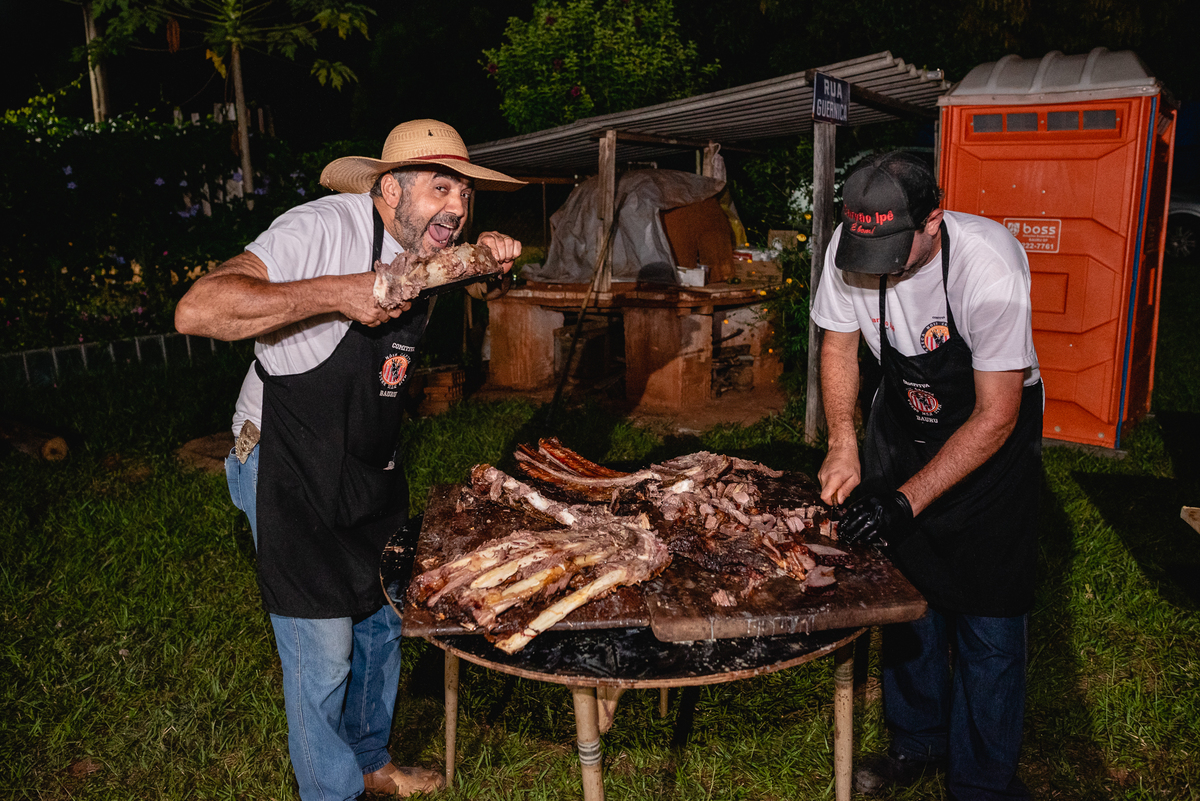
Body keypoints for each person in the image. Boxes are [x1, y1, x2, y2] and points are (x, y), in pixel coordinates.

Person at [175, 119, 524, 799]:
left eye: (466, 194)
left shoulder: (427, 241)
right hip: (285, 454)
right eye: (440, 187)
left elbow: (468, 279)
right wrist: (340, 291)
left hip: (369, 458)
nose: (456, 207)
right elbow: (198, 309)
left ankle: (371, 762)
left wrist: (489, 259)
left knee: (381, 623)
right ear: (390, 189)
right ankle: (331, 789)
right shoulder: (320, 228)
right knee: (324, 652)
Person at [811, 151, 1042, 800]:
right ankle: (916, 741)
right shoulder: (852, 238)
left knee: (989, 623)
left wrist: (906, 502)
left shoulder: (987, 264)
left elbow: (997, 414)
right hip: (902, 430)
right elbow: (838, 345)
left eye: (889, 246)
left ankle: (983, 782)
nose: (871, 260)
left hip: (988, 439)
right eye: (863, 244)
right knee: (906, 600)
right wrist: (841, 444)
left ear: (933, 220)